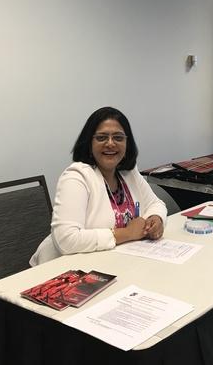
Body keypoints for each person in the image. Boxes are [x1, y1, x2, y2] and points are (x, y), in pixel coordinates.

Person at [30, 107, 167, 266]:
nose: (110, 143)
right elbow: (66, 239)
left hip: (114, 262)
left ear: (127, 143)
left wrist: (155, 218)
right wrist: (128, 233)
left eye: (118, 137)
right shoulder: (76, 176)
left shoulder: (129, 173)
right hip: (62, 268)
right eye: (102, 138)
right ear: (89, 143)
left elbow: (156, 204)